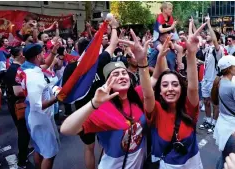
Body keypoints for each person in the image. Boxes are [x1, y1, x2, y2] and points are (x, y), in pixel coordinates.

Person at [61, 33, 153, 168]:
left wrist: (142, 61)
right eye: (115, 74)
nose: (121, 76)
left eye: (123, 73)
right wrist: (94, 104)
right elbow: (66, 129)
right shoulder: (103, 109)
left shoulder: (137, 95)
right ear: (107, 81)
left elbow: (154, 79)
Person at [131, 21, 206, 168]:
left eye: (175, 84)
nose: (170, 88)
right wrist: (142, 62)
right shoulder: (156, 111)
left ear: (181, 88)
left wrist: (190, 54)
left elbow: (192, 88)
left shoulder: (189, 109)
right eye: (165, 85)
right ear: (159, 91)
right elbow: (147, 94)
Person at [61, 18, 118, 169]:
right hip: (104, 109)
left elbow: (65, 92)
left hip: (83, 112)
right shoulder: (99, 61)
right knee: (107, 145)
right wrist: (114, 27)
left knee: (89, 148)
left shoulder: (70, 69)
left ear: (78, 50)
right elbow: (112, 45)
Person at [16, 43, 59, 169]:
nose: (44, 55)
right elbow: (38, 106)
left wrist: (53, 51)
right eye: (42, 53)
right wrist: (57, 97)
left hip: (36, 116)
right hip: (39, 117)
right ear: (38, 56)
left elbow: (45, 64)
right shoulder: (33, 77)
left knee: (39, 148)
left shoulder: (28, 68)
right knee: (49, 153)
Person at [4, 46, 33, 168]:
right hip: (17, 105)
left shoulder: (15, 68)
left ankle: (24, 152)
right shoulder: (14, 70)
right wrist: (31, 90)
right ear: (21, 55)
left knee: (23, 130)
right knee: (23, 132)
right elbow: (18, 92)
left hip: (16, 103)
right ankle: (22, 160)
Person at [199, 16, 224, 134]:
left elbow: (214, 39)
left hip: (214, 81)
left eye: (210, 34)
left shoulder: (218, 49)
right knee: (206, 102)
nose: (207, 35)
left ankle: (215, 123)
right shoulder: (208, 49)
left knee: (215, 104)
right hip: (205, 80)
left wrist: (209, 24)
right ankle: (208, 120)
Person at [210, 55, 235, 169]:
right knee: (229, 160)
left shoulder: (220, 82)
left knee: (224, 157)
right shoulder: (231, 86)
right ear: (230, 68)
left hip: (223, 124)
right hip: (231, 128)